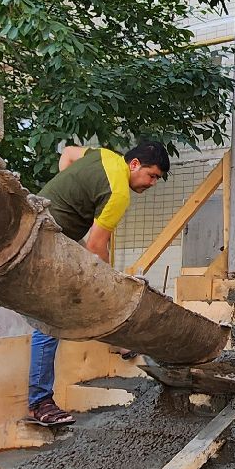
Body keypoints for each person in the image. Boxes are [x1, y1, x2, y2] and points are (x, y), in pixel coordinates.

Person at [27, 139, 171, 425]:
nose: (152, 183)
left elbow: (67, 154)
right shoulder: (118, 193)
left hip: (42, 224)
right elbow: (96, 245)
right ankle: (39, 402)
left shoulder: (103, 156)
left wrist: (63, 190)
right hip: (46, 242)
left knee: (86, 293)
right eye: (151, 175)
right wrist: (107, 287)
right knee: (51, 319)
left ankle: (119, 341)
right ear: (134, 164)